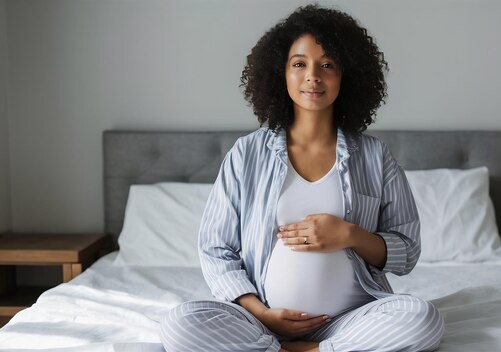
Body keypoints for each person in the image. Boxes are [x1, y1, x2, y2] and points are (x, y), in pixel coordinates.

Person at [159, 4, 444, 352]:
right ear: (281, 72)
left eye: (327, 65)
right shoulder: (246, 154)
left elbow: (407, 248)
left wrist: (349, 234)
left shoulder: (374, 156)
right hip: (259, 321)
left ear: (346, 75)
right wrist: (260, 312)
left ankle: (309, 351)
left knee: (422, 318)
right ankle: (279, 346)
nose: (313, 76)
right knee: (179, 325)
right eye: (299, 64)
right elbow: (216, 249)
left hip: (351, 321)